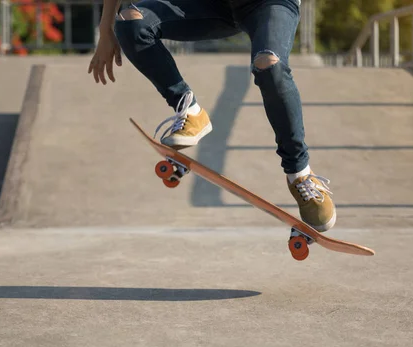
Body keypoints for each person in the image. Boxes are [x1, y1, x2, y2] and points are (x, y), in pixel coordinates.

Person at [88, 0, 336, 232]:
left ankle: (300, 174)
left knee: (269, 65)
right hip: (215, 5)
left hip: (270, 5)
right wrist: (106, 27)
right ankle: (190, 110)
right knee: (132, 21)